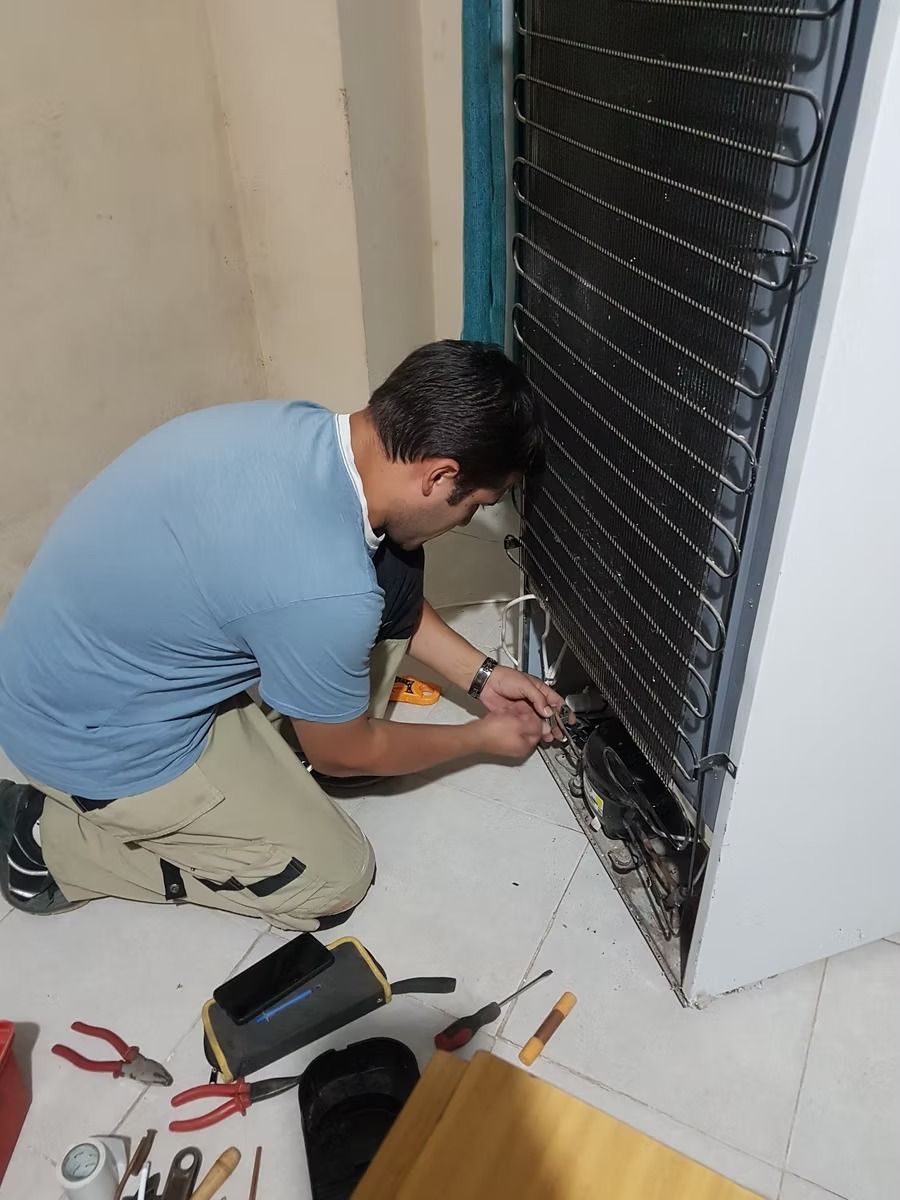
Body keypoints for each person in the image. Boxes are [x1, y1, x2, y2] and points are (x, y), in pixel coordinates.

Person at [0, 340, 564, 929]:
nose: (465, 523)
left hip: (72, 661)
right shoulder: (326, 589)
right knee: (334, 881)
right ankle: (49, 844)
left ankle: (293, 744)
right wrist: (479, 738)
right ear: (440, 475)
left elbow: (349, 594)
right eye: (475, 505)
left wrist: (483, 676)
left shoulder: (303, 429)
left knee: (393, 564)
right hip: (96, 738)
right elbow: (345, 755)